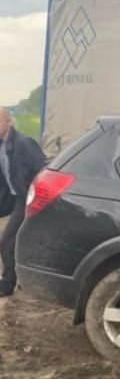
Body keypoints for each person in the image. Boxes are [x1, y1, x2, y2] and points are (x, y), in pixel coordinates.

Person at [0, 107, 48, 297]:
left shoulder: (23, 143)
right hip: (11, 196)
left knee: (7, 241)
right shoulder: (2, 143)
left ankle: (8, 283)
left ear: (8, 121)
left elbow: (42, 170)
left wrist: (34, 198)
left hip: (26, 198)